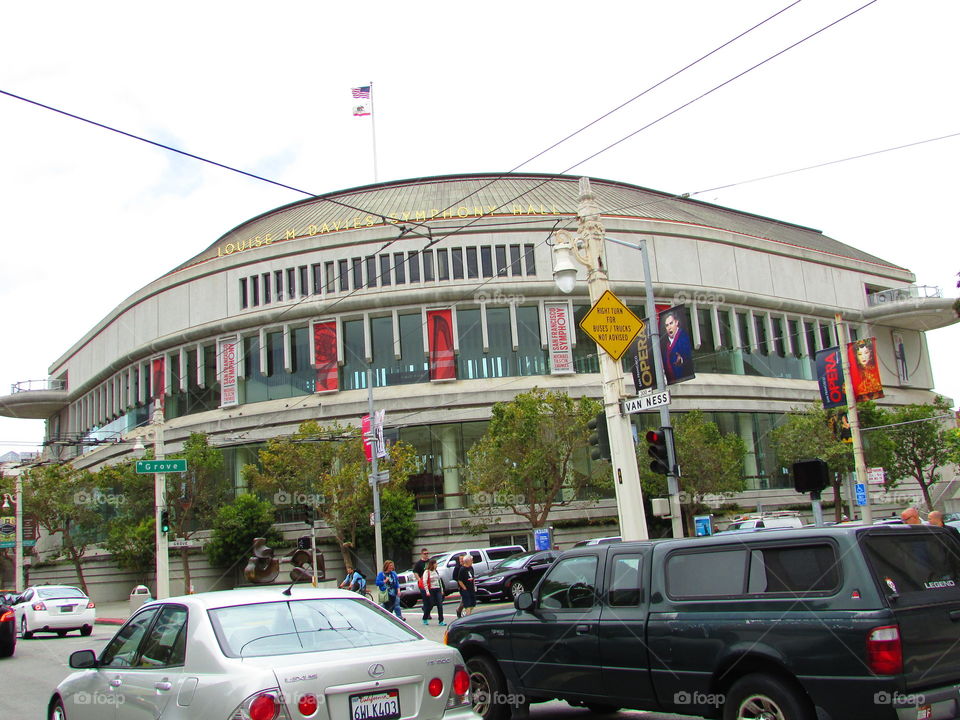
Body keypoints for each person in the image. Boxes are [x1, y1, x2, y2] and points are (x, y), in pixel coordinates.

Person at [660, 310, 694, 384]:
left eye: (671, 323)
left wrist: (681, 359)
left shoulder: (683, 337)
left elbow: (686, 352)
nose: (669, 327)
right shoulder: (666, 342)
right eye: (667, 325)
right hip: (671, 380)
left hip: (681, 379)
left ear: (676, 322)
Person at [422, 559, 445, 626]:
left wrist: (442, 590)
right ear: (432, 564)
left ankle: (441, 620)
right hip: (431, 589)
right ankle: (425, 617)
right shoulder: (427, 572)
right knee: (431, 604)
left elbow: (439, 581)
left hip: (437, 589)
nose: (436, 565)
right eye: (436, 564)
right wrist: (427, 591)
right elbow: (424, 582)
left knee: (440, 605)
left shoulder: (436, 571)